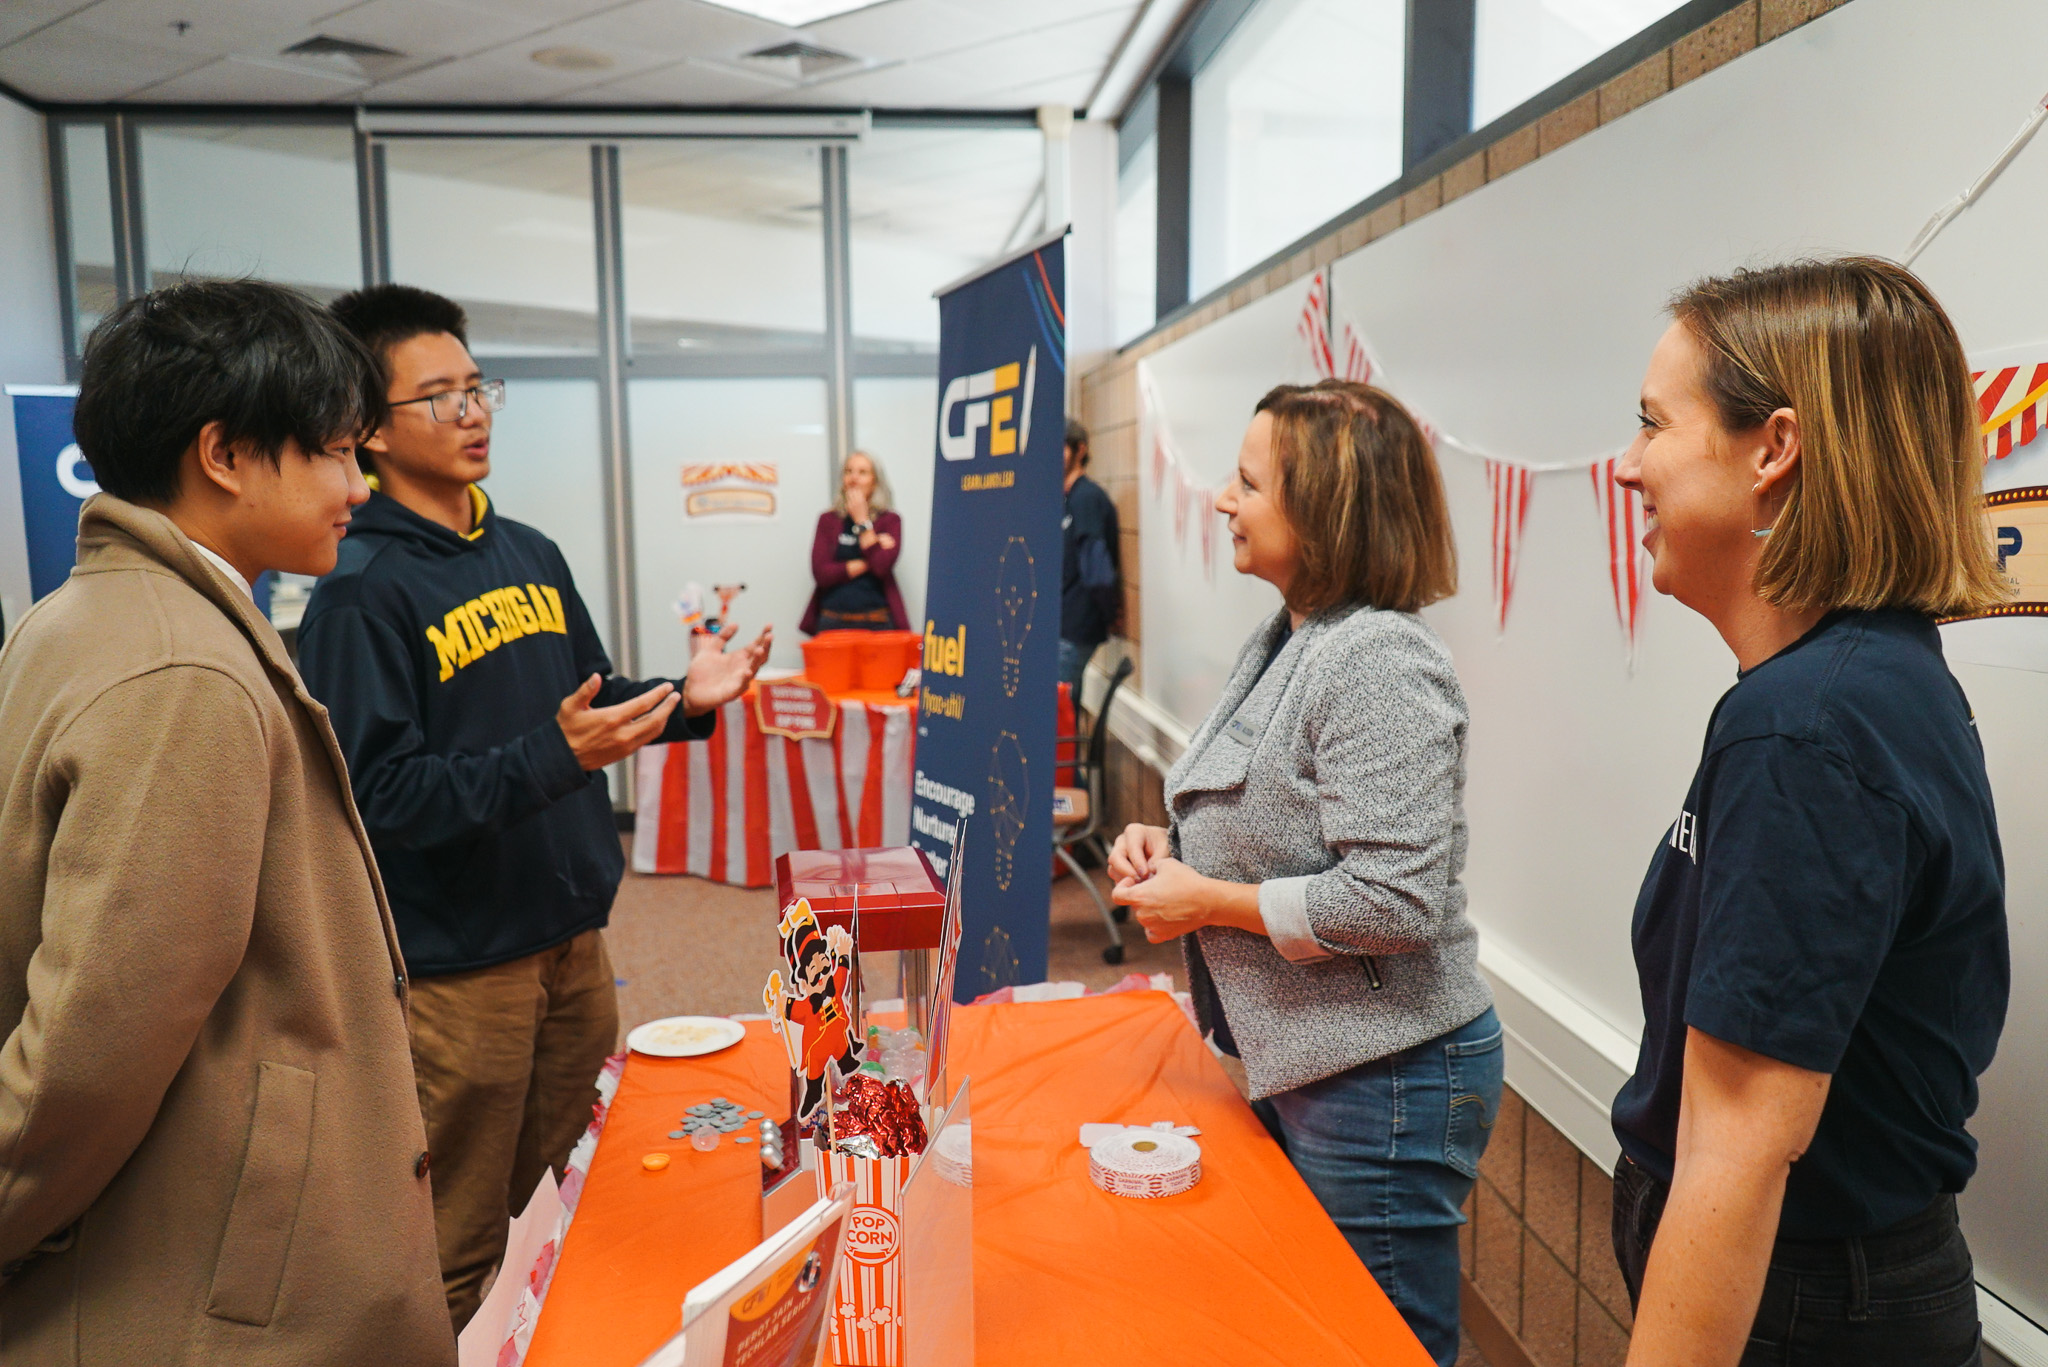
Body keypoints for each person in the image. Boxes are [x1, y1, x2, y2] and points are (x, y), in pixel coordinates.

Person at [297, 284, 770, 1331]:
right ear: (369, 429)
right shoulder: (360, 590)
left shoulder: (531, 552)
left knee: (584, 1195)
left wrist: (681, 702)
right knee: (458, 1239)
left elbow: (587, 704)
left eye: (478, 387)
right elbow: (375, 800)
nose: (472, 412)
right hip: (462, 973)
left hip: (571, 938)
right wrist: (549, 756)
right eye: (439, 396)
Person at [0, 281, 452, 1363]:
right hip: (215, 1284)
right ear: (225, 454)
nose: (358, 483)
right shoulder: (183, 666)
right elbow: (94, 1045)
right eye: (336, 452)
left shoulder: (80, 615)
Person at [1609, 258, 2008, 1367]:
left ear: (1771, 450)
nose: (1627, 464)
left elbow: (1738, 1147)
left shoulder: (1806, 729)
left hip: (1807, 1303)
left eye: (1652, 425)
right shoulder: (1856, 682)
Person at [1107, 380, 1499, 1367]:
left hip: (1386, 1073)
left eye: (1246, 483)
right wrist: (1169, 844)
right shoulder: (1296, 631)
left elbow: (1393, 898)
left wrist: (1211, 901)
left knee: (1374, 1340)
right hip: (1327, 1059)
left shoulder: (1374, 658)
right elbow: (1272, 810)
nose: (1220, 501)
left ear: (1323, 512)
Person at [801, 450, 907, 634]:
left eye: (862, 472)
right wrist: (869, 556)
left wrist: (862, 521)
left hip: (878, 622)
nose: (854, 478)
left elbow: (881, 566)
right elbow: (821, 573)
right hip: (832, 621)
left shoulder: (890, 520)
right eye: (848, 471)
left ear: (875, 482)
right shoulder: (828, 520)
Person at [1058, 417, 1122, 695]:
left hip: (1076, 628)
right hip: (1065, 626)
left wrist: (1110, 614)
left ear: (1080, 450)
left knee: (1059, 716)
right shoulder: (1067, 498)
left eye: (1060, 448)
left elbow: (1097, 567)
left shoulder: (1087, 498)